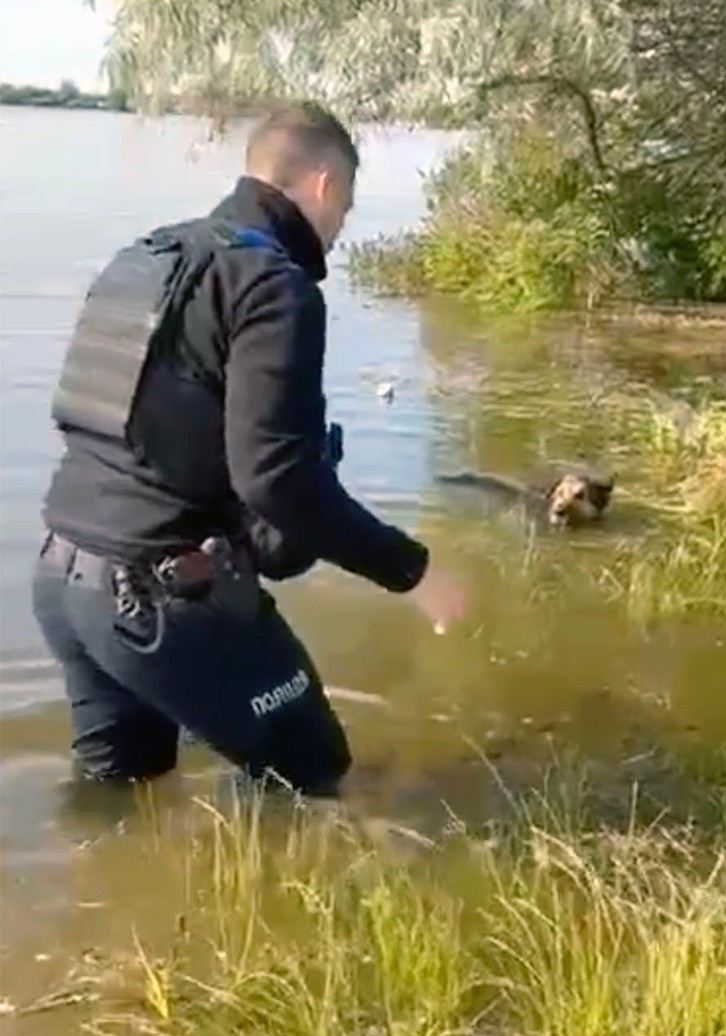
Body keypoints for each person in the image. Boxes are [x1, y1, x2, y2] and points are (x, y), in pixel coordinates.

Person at [32, 102, 466, 798]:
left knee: (118, 800)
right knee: (317, 775)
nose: (338, 231)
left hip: (62, 579)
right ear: (323, 184)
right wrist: (410, 573)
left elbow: (101, 422)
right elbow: (277, 480)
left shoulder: (147, 257)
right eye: (345, 211)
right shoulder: (274, 287)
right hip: (157, 597)